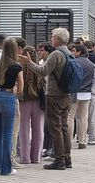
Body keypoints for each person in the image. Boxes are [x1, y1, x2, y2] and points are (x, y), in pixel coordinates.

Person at [27, 27, 75, 171]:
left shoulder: (56, 55)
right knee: (64, 127)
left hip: (54, 95)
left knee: (55, 128)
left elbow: (43, 71)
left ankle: (59, 160)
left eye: (53, 36)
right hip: (66, 94)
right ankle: (67, 158)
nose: (51, 38)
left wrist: (29, 62)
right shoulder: (69, 53)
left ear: (57, 39)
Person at [0, 38, 23, 175]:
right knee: (8, 134)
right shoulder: (17, 66)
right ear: (15, 49)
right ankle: (6, 168)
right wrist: (15, 90)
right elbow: (21, 88)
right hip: (8, 97)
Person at [17, 47, 46, 164]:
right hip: (38, 101)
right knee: (38, 129)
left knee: (23, 130)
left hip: (23, 101)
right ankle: (36, 157)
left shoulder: (19, 68)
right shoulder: (39, 69)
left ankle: (25, 157)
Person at [70, 43, 95, 150]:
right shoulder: (91, 64)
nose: (72, 52)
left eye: (74, 51)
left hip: (74, 92)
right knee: (83, 118)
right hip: (86, 93)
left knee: (70, 117)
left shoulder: (73, 62)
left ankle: (69, 141)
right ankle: (82, 141)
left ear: (79, 52)